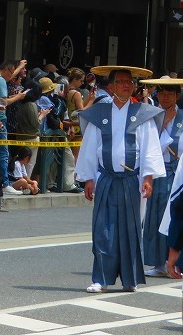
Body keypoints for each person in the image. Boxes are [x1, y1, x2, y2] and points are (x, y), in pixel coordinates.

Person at [76, 67, 165, 293]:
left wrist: (148, 177)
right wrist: (88, 178)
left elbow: (150, 148)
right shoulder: (99, 114)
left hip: (130, 179)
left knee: (130, 229)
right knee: (103, 228)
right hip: (105, 177)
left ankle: (130, 279)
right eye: (121, 82)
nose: (126, 85)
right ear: (112, 86)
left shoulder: (142, 113)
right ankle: (101, 278)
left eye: (130, 82)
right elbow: (89, 148)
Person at [140, 78, 183, 277]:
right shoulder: (151, 116)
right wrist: (164, 122)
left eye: (170, 94)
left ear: (177, 96)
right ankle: (157, 262)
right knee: (154, 216)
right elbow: (148, 146)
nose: (166, 97)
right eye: (162, 93)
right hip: (156, 172)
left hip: (176, 173)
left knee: (172, 217)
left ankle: (172, 259)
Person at [0, 60, 27, 195]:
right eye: (11, 73)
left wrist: (20, 67)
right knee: (3, 153)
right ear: (6, 69)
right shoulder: (0, 81)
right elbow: (4, 102)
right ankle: (5, 183)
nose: (12, 77)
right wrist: (18, 96)